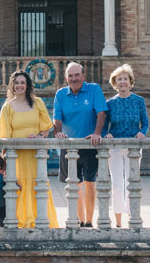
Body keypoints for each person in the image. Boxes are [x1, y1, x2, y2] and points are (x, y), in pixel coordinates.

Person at [0, 70, 60, 228]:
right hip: (17, 156)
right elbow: (4, 136)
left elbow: (46, 127)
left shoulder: (37, 102)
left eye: (22, 82)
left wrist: (40, 137)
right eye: (16, 83)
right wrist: (5, 162)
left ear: (27, 85)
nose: (19, 85)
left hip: (35, 154)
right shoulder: (7, 107)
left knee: (37, 185)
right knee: (20, 185)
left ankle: (40, 219)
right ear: (12, 85)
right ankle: (23, 222)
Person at [53, 61, 106, 228]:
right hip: (69, 147)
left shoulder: (94, 89)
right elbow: (57, 118)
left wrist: (97, 133)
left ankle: (89, 221)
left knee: (90, 184)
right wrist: (59, 132)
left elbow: (101, 113)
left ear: (83, 76)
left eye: (77, 75)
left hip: (90, 145)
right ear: (66, 77)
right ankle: (79, 219)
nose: (74, 78)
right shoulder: (61, 94)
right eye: (70, 75)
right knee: (74, 186)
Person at [104, 63, 148, 227]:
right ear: (115, 83)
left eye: (125, 79)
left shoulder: (139, 101)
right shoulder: (110, 103)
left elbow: (145, 123)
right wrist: (105, 134)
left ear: (130, 82)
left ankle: (133, 216)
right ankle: (118, 220)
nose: (122, 82)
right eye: (119, 79)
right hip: (114, 148)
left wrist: (142, 133)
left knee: (132, 182)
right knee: (116, 184)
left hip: (133, 148)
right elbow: (104, 125)